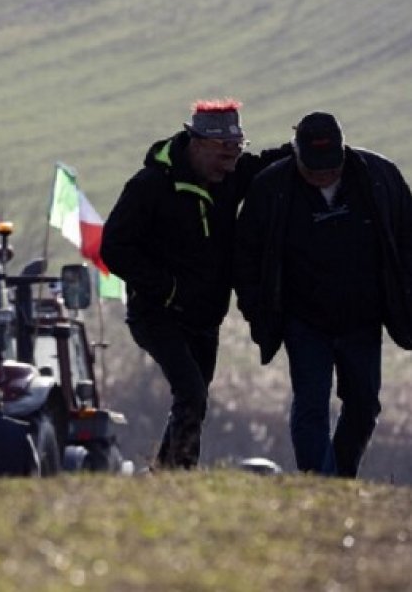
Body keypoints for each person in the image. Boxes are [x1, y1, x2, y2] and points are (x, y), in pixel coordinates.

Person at [101, 99, 291, 470]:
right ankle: (182, 472)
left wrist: (312, 145)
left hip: (207, 317)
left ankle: (165, 474)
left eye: (236, 153)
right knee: (190, 392)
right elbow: (114, 248)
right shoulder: (149, 186)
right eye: (223, 155)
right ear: (197, 142)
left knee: (194, 400)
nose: (230, 165)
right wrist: (166, 289)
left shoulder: (232, 175)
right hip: (157, 314)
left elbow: (271, 163)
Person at [234, 111, 412, 478]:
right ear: (296, 155)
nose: (323, 176)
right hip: (303, 321)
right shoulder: (271, 188)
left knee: (364, 405)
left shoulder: (379, 178)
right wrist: (257, 310)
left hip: (363, 318)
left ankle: (340, 478)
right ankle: (320, 480)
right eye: (313, 169)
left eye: (331, 167)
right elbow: (246, 257)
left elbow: (407, 239)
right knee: (311, 404)